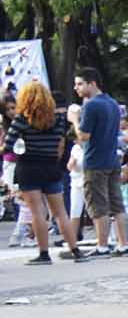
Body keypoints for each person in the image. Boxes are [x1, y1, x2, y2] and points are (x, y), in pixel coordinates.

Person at [5, 81, 86, 263]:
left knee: (37, 213)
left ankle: (44, 253)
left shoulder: (22, 120)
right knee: (60, 212)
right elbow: (60, 143)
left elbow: (9, 146)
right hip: (51, 167)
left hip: (29, 167)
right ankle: (75, 250)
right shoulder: (56, 121)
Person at [72, 66, 128, 255]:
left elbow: (84, 135)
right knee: (117, 204)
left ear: (92, 83)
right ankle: (123, 243)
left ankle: (102, 246)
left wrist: (74, 120)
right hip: (112, 159)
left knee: (98, 205)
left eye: (80, 84)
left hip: (95, 161)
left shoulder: (91, 105)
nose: (76, 88)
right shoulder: (112, 103)